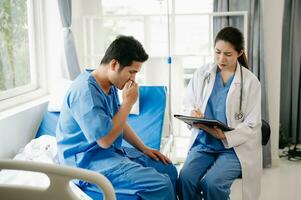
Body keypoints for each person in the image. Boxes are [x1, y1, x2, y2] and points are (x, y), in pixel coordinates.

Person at [56, 35, 177, 200]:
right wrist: (128, 103)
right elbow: (105, 141)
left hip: (109, 154)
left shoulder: (108, 84)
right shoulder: (85, 92)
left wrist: (144, 148)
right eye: (132, 72)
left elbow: (118, 122)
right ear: (114, 64)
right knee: (161, 184)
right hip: (87, 163)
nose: (133, 78)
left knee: (168, 169)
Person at [177, 26, 262, 200]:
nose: (221, 59)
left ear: (239, 53)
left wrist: (224, 136)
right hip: (204, 143)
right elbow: (187, 103)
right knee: (184, 179)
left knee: (213, 184)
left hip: (233, 148)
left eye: (228, 54)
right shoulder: (203, 74)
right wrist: (192, 112)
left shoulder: (250, 82)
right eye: (217, 52)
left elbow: (252, 125)